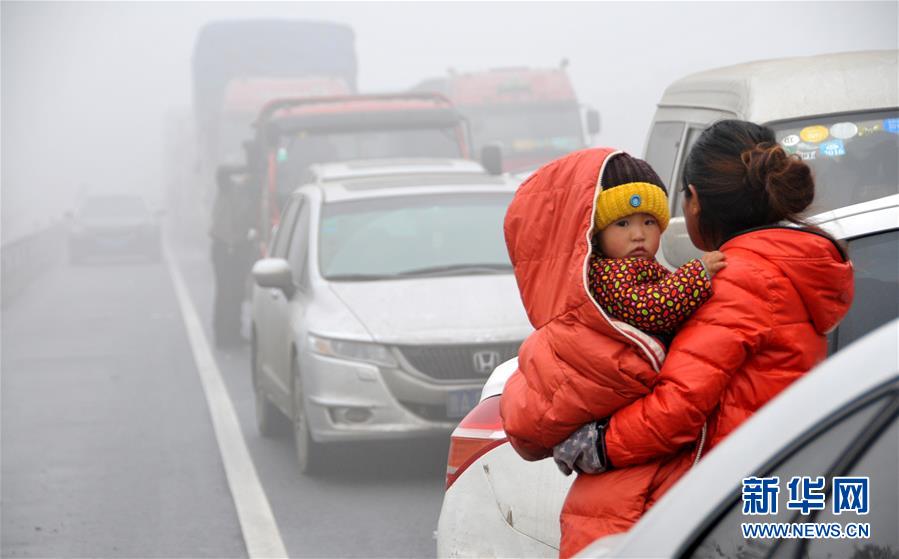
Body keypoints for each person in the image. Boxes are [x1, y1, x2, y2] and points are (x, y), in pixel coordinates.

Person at [500, 120, 854, 558]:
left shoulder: (738, 279)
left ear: (696, 201)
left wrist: (596, 444)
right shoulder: (774, 269)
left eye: (651, 219)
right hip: (761, 486)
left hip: (724, 498)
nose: (640, 233)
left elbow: (677, 408)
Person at [209, 164, 259, 348]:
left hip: (238, 248)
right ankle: (222, 336)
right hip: (223, 247)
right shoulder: (227, 187)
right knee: (225, 293)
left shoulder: (247, 197)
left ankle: (234, 334)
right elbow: (222, 171)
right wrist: (247, 167)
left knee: (237, 293)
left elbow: (248, 221)